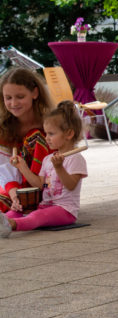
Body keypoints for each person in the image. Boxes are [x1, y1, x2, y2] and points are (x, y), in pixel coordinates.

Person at [1, 101, 86, 237]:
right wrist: (22, 167)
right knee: (15, 211)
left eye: (51, 134)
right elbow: (42, 184)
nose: (46, 138)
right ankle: (6, 221)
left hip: (65, 210)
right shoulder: (48, 159)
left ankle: (11, 225)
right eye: (46, 134)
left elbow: (70, 185)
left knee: (38, 216)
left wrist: (59, 168)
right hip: (45, 205)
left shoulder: (75, 158)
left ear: (69, 134)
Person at [0, 68, 53, 213]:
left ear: (35, 93)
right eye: (8, 98)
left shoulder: (51, 124)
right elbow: (4, 169)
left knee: (35, 136)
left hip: (46, 187)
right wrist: (14, 194)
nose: (14, 103)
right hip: (13, 187)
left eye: (20, 96)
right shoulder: (3, 129)